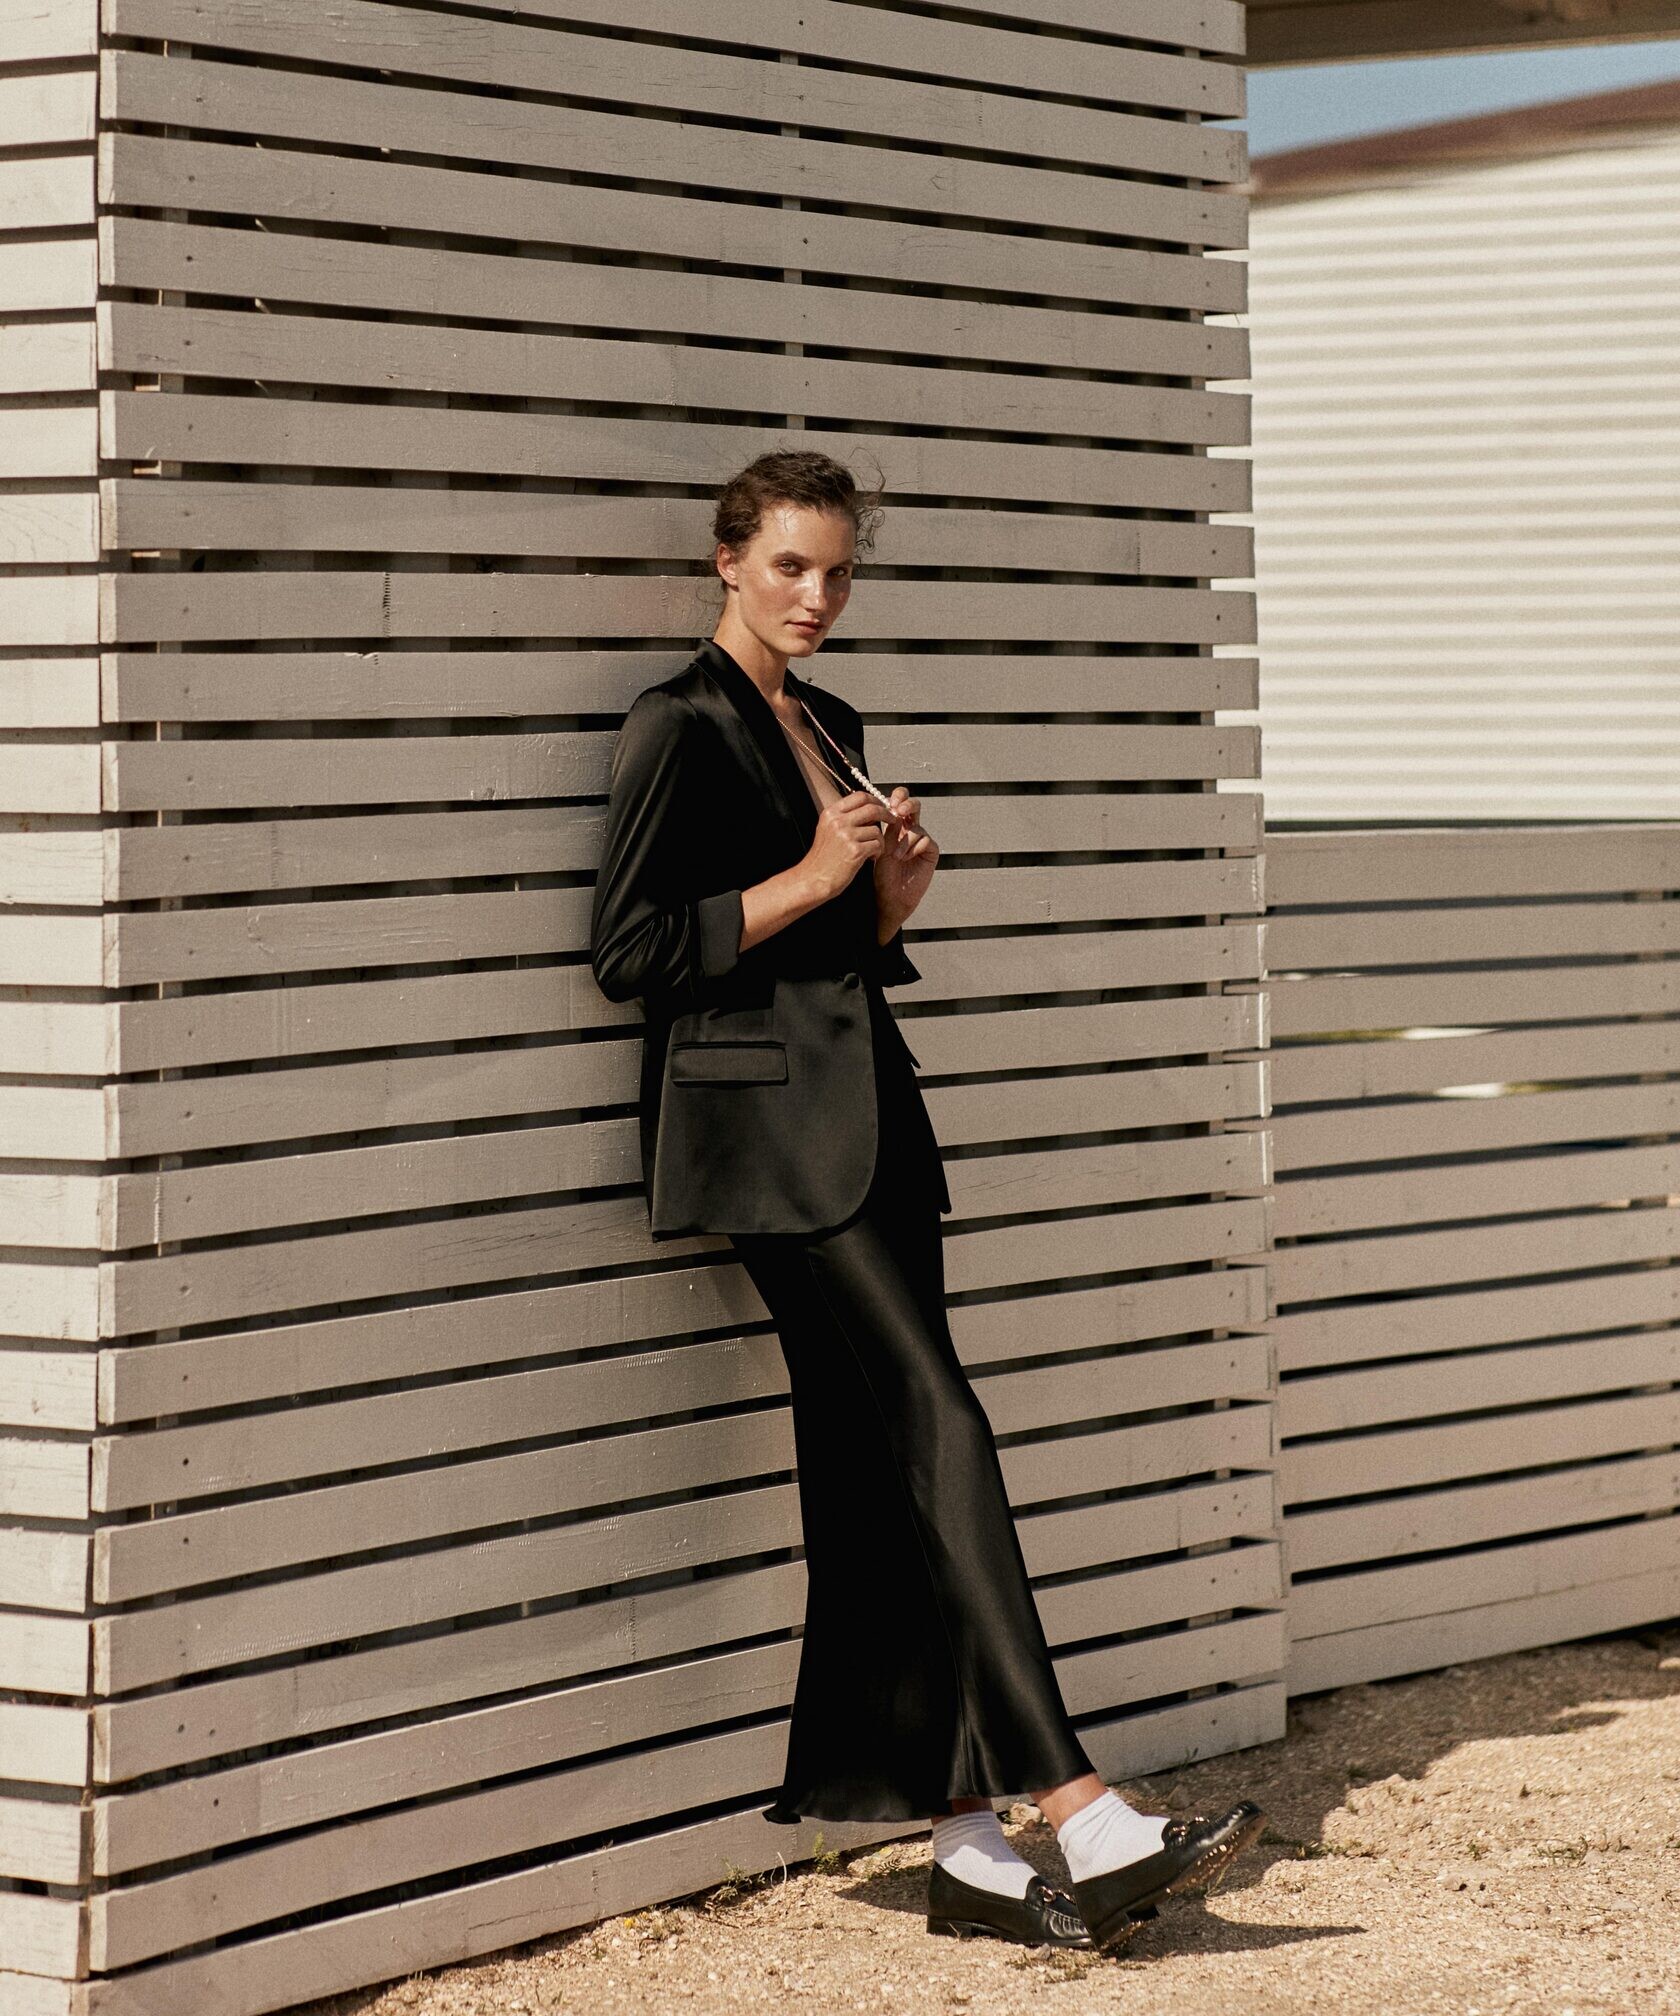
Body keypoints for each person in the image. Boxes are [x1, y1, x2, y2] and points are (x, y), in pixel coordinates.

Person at [588, 447, 1264, 1953]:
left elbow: (831, 952)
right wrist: (817, 876)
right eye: (789, 566)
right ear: (727, 561)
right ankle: (1079, 1804)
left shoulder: (829, 720)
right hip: (772, 1152)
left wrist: (886, 908)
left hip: (874, 1121)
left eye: (838, 571)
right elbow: (631, 950)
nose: (816, 595)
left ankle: (964, 1848)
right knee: (942, 1425)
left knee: (880, 1473)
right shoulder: (676, 722)